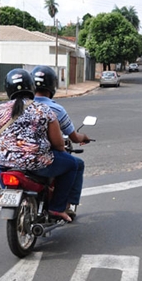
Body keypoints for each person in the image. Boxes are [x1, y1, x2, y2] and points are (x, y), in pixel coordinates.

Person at [0, 68, 78, 222]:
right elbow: (59, 144)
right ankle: (57, 208)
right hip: (38, 164)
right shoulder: (43, 110)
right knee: (73, 164)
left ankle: (9, 191)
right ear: (31, 87)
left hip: (5, 165)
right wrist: (59, 149)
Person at [31, 65, 90, 219]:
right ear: (52, 86)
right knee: (74, 164)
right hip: (41, 159)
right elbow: (67, 141)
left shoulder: (13, 107)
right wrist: (83, 137)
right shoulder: (53, 110)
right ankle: (61, 206)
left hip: (11, 160)